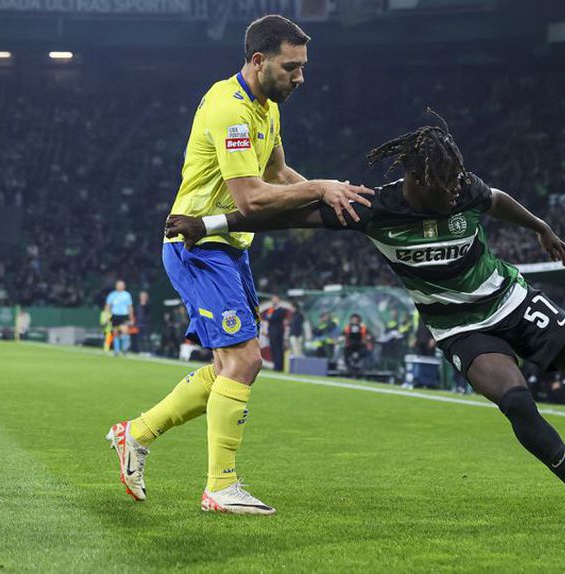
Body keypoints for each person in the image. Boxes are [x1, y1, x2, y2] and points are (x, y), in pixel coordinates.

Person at [165, 110, 565, 524]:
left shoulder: (462, 186)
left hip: (509, 298)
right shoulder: (374, 209)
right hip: (459, 326)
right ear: (416, 181)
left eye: (459, 183)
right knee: (517, 402)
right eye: (444, 187)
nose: (455, 193)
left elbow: (497, 199)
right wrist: (206, 224)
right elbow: (277, 216)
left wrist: (541, 227)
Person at [107, 14, 373, 515]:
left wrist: (332, 196)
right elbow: (251, 198)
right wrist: (320, 188)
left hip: (229, 246)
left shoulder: (265, 107)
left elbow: (278, 172)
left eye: (303, 67)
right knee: (245, 361)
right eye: (291, 67)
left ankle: (135, 434)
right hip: (198, 244)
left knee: (228, 366)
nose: (300, 77)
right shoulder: (230, 109)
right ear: (258, 60)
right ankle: (220, 487)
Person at [104, 280, 134, 356]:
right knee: (115, 333)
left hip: (123, 315)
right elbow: (108, 306)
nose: (120, 286)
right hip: (115, 315)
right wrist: (107, 316)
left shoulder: (127, 295)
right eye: (119, 285)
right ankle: (116, 351)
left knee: (125, 332)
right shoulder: (112, 295)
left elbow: (129, 307)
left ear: (124, 286)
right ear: (116, 286)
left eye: (121, 285)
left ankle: (124, 349)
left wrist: (131, 317)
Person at [265, 295, 288, 372]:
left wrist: (270, 317)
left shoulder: (281, 310)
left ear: (278, 300)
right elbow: (267, 317)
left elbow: (273, 318)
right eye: (273, 299)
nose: (274, 301)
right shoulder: (271, 309)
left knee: (278, 349)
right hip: (271, 332)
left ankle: (279, 366)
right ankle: (275, 365)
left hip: (278, 332)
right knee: (273, 348)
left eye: (275, 299)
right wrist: (270, 317)